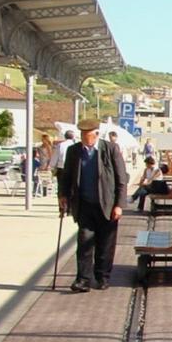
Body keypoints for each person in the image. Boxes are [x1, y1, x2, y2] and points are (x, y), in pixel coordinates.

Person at [58, 118, 128, 292]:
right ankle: (83, 279)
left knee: (106, 244)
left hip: (107, 205)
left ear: (96, 134)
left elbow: (122, 179)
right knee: (84, 242)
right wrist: (62, 195)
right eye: (82, 134)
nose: (83, 138)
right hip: (84, 205)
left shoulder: (110, 149)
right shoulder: (74, 151)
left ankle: (102, 276)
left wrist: (119, 204)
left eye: (87, 135)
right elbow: (66, 176)